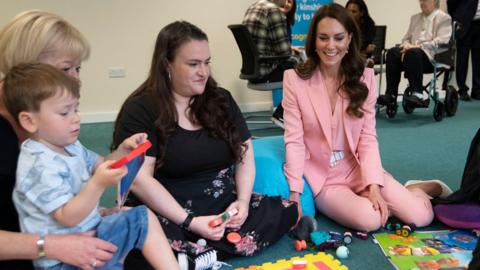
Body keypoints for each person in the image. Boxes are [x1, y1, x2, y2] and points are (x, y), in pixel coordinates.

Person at [112, 21, 298, 269]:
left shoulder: (220, 99)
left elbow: (244, 154)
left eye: (206, 62)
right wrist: (190, 221)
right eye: (193, 64)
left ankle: (194, 256)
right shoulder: (140, 109)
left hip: (219, 203)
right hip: (168, 210)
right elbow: (139, 179)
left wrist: (241, 203)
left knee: (287, 211)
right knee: (142, 240)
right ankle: (189, 251)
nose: (204, 72)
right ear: (167, 64)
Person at [283, 3, 451, 232]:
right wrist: (294, 194)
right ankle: (389, 199)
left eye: (338, 38)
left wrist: (373, 186)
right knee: (371, 220)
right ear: (314, 40)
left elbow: (367, 137)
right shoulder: (294, 80)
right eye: (323, 38)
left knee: (421, 216)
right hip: (326, 179)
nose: (330, 46)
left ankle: (416, 188)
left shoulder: (365, 78)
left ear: (349, 39)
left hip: (358, 167)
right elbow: (294, 139)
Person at [4, 63, 180, 270]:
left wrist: (124, 151)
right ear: (29, 121)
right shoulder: (38, 165)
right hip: (63, 262)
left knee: (141, 217)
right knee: (141, 219)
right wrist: (97, 185)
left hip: (90, 235)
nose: (76, 118)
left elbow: (102, 165)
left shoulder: (70, 146)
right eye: (64, 113)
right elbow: (67, 217)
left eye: (76, 109)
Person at [0, 10, 117, 269]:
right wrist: (51, 246)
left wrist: (98, 214)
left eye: (78, 68)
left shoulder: (53, 129)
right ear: (28, 70)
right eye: (65, 69)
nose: (76, 79)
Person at [377, 0, 452, 108]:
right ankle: (391, 94)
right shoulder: (415, 18)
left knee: (413, 53)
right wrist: (405, 46)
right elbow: (406, 39)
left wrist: (418, 47)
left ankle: (418, 94)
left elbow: (442, 41)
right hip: (411, 55)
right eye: (420, 0)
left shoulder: (444, 18)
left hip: (432, 58)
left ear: (435, 1)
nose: (422, 2)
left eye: (425, 0)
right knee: (393, 52)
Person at [243, 0, 298, 128]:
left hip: (253, 70)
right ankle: (281, 114)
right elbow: (285, 52)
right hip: (266, 72)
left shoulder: (254, 6)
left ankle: (282, 112)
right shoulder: (273, 11)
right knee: (305, 70)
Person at [447, 0, 480, 101]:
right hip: (465, 24)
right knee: (462, 57)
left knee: (478, 59)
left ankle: (477, 90)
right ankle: (462, 90)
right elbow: (451, 3)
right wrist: (457, 18)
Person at [345, 0, 376, 67]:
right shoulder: (342, 23)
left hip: (359, 57)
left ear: (362, 13)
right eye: (348, 11)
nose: (350, 14)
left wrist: (363, 51)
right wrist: (364, 51)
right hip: (347, 55)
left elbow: (364, 43)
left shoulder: (369, 24)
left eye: (354, 12)